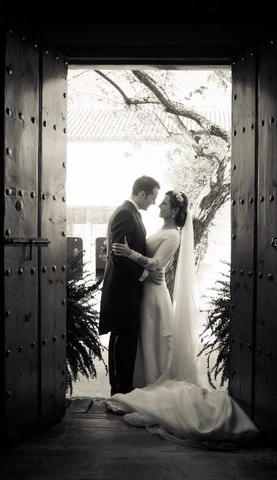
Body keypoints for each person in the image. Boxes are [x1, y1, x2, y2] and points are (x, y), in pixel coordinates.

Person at [105, 190, 259, 449]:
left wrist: (130, 254)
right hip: (144, 292)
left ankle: (152, 381)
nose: (158, 205)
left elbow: (156, 264)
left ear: (174, 210)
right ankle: (139, 382)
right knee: (143, 340)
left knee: (154, 338)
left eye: (163, 203)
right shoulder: (158, 228)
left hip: (154, 294)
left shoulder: (174, 235)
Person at [99, 175, 163, 395]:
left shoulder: (131, 213)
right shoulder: (126, 214)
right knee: (123, 343)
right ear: (142, 193)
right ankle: (121, 392)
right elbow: (118, 256)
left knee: (122, 342)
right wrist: (145, 274)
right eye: (153, 197)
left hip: (127, 290)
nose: (154, 202)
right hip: (123, 291)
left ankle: (119, 389)